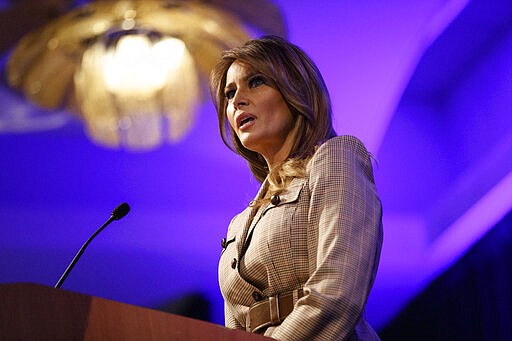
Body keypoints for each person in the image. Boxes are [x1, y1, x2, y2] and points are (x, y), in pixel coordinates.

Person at [210, 35, 383, 340]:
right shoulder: (238, 225)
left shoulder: (335, 157)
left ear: (296, 90)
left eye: (256, 81)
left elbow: (337, 292)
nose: (237, 101)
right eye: (229, 92)